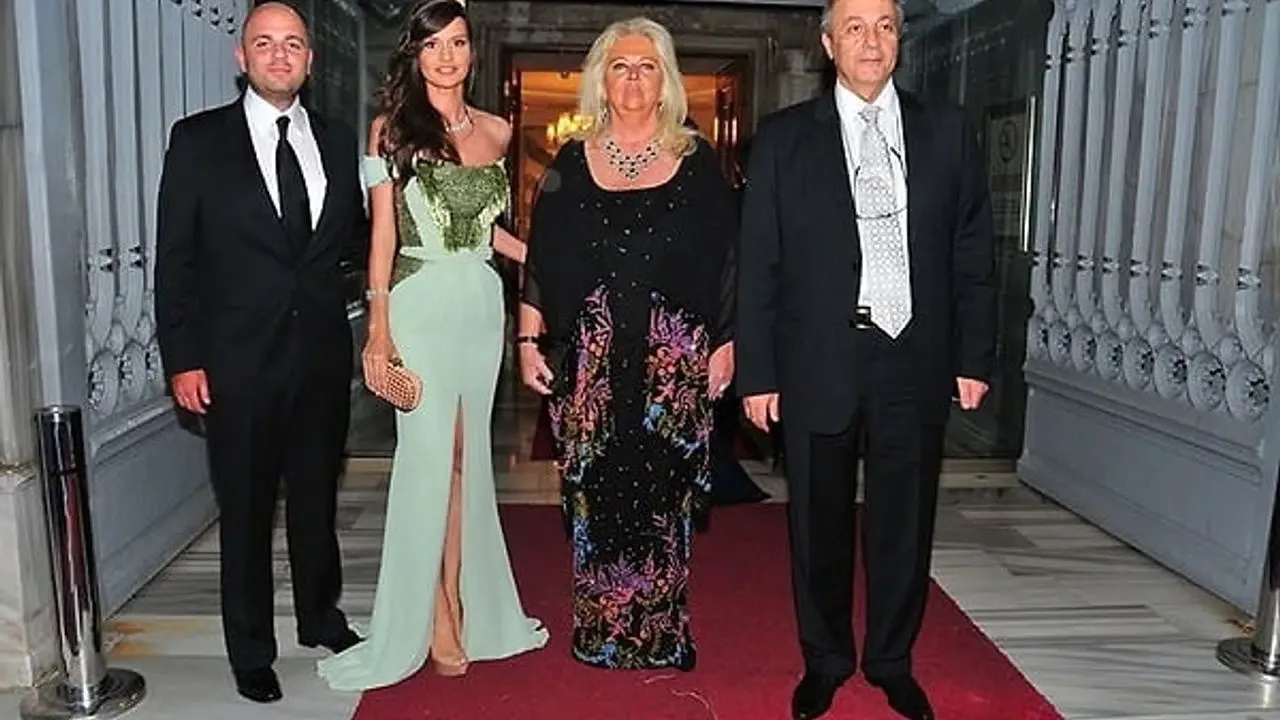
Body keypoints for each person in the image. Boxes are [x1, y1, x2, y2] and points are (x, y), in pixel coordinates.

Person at [735, 0, 996, 718]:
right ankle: (824, 660)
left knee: (904, 521)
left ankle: (891, 660)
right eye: (854, 27)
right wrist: (758, 371)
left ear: (900, 39)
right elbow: (758, 262)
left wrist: (974, 356)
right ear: (828, 44)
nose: (871, 41)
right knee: (816, 521)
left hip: (915, 355)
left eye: (884, 26)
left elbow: (973, 253)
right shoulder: (784, 139)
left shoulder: (948, 131)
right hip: (819, 356)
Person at [317, 0, 548, 691]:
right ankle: (438, 610)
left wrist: (547, 261)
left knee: (467, 461)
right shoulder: (390, 130)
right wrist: (378, 328)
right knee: (431, 458)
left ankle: (460, 594)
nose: (447, 56)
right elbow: (383, 236)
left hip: (479, 305)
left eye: (458, 43)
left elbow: (488, 232)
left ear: (472, 52)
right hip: (418, 303)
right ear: (414, 54)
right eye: (433, 44)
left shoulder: (499, 131)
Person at [153, 2, 365, 704]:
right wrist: (183, 357)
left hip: (321, 357)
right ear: (241, 57)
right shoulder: (197, 141)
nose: (280, 55)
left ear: (310, 60)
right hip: (235, 363)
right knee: (244, 510)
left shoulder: (336, 141)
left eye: (293, 44)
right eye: (265, 43)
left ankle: (320, 616)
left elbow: (350, 242)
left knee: (315, 499)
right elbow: (175, 260)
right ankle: (250, 649)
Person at [517, 17, 736, 672]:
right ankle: (600, 634)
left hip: (673, 362)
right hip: (592, 362)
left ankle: (664, 636)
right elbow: (541, 259)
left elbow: (731, 259)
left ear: (665, 80)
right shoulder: (570, 162)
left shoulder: (698, 164)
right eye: (620, 65)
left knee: (664, 497)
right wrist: (528, 338)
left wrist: (727, 343)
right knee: (597, 491)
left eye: (647, 65)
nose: (634, 78)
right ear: (600, 80)